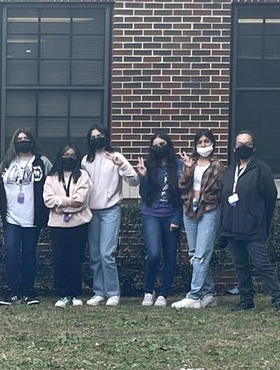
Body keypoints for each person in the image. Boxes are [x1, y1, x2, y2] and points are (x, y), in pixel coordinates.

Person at [219, 131, 280, 314]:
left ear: (254, 147)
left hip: (253, 228)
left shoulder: (261, 169)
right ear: (234, 147)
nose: (243, 147)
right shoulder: (229, 171)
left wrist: (260, 219)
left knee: (262, 264)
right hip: (232, 228)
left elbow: (270, 196)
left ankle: (279, 300)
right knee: (240, 265)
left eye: (247, 144)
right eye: (240, 144)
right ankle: (246, 299)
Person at [81, 124, 139, 306]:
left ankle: (113, 292)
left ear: (106, 137)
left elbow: (134, 180)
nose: (97, 138)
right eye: (93, 136)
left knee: (107, 253)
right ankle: (99, 291)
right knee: (95, 254)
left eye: (100, 135)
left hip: (110, 210)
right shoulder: (85, 160)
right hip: (91, 212)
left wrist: (121, 165)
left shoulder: (116, 157)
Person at [0, 127, 52, 305]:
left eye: (26, 138)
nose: (22, 141)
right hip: (11, 218)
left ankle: (28, 291)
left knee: (29, 254)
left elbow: (52, 185)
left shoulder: (42, 162)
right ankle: (13, 291)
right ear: (14, 142)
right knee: (11, 253)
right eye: (19, 138)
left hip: (32, 218)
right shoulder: (7, 162)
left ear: (32, 140)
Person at [172, 130, 225, 309]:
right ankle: (209, 294)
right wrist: (187, 170)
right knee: (194, 254)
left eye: (206, 141)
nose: (203, 145)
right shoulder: (190, 163)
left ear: (212, 143)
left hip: (209, 210)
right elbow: (181, 186)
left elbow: (213, 190)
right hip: (189, 209)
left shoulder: (217, 165)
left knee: (202, 254)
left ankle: (194, 295)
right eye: (200, 142)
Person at [135, 131, 183, 307]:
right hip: (151, 214)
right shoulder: (149, 166)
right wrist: (144, 176)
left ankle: (163, 293)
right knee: (154, 253)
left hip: (171, 214)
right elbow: (144, 194)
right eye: (155, 146)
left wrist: (177, 218)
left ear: (169, 146)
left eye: (162, 145)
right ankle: (148, 291)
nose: (158, 148)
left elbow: (182, 195)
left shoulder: (178, 166)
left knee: (170, 255)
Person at [43, 142, 92, 307]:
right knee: (60, 260)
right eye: (65, 155)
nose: (68, 158)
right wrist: (69, 201)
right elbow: (48, 199)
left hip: (79, 224)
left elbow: (81, 200)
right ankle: (62, 294)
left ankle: (76, 293)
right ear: (60, 156)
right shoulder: (51, 176)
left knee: (76, 260)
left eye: (72, 156)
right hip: (57, 225)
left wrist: (61, 204)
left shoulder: (83, 176)